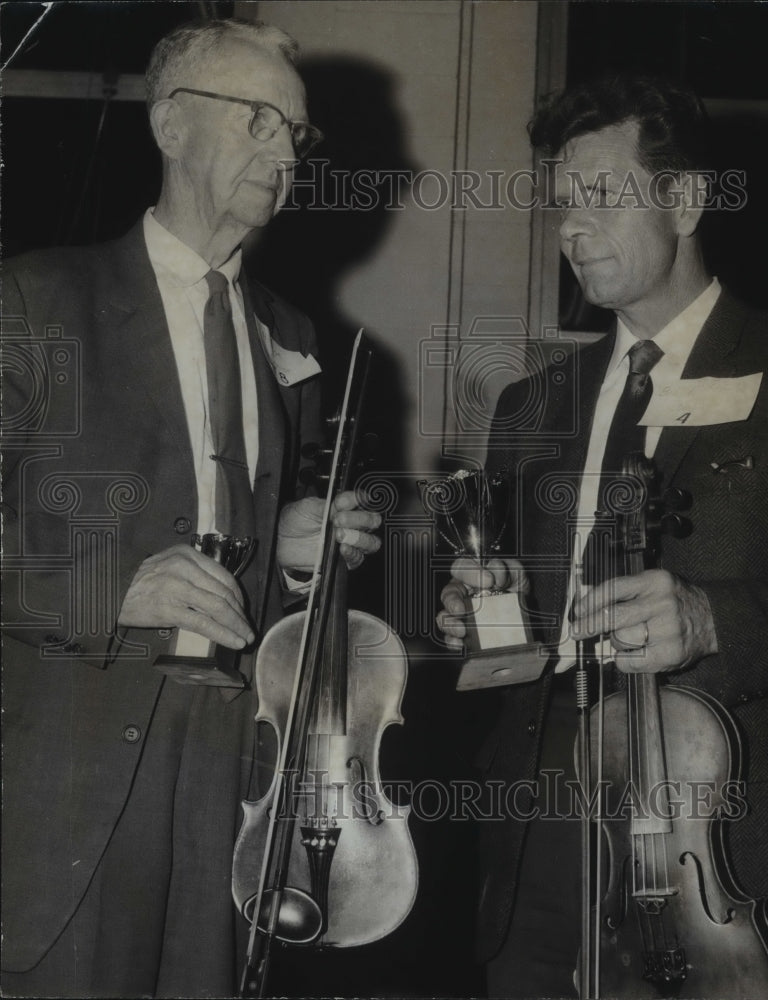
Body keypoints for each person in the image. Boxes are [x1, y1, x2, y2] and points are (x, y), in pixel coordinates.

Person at [1, 17, 380, 998]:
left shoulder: (288, 332)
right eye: (258, 120)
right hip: (70, 784)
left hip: (231, 784)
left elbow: (245, 550)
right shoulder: (40, 303)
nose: (284, 154)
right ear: (170, 125)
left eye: (296, 135)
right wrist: (112, 586)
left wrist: (294, 552)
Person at [438, 74, 768, 996]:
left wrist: (712, 620)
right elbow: (494, 606)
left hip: (718, 848)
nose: (572, 231)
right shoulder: (530, 405)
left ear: (687, 199)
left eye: (601, 198)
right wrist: (471, 615)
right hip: (536, 835)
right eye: (560, 206)